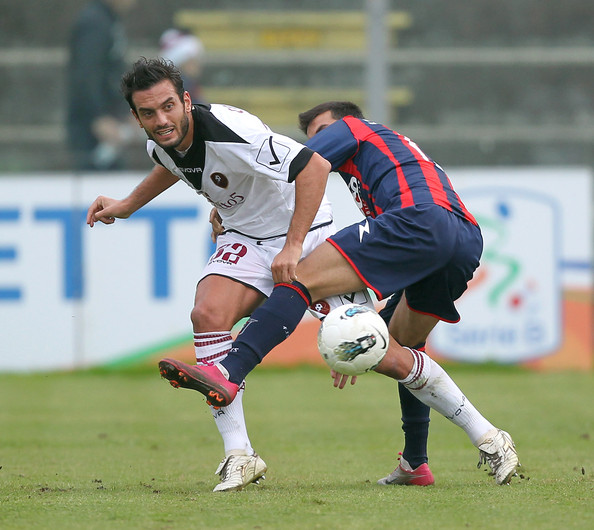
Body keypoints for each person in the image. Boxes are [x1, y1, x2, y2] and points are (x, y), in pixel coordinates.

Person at [159, 101, 521, 486]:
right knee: (401, 347)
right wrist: (350, 336)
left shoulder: (356, 129)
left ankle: (229, 370)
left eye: (320, 132)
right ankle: (446, 453)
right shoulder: (389, 154)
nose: (316, 141)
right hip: (462, 237)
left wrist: (230, 209)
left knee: (297, 277)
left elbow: (294, 168)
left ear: (344, 123)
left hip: (417, 218)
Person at [86, 58, 389, 492]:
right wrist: (128, 205)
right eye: (149, 113)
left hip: (303, 233)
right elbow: (172, 164)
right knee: (207, 315)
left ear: (186, 100)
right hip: (246, 236)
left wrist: (292, 247)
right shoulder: (161, 143)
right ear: (135, 118)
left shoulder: (232, 129)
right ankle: (239, 455)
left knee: (378, 350)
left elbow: (314, 167)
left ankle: (485, 435)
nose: (162, 120)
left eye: (169, 106)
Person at [66, 0, 137, 171]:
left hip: (111, 122)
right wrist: (98, 117)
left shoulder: (109, 20)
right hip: (93, 129)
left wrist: (127, 109)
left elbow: (111, 74)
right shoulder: (94, 22)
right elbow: (86, 73)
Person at [159, 28, 206, 104]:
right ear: (181, 63)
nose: (198, 64)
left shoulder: (189, 84)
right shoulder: (182, 89)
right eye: (193, 60)